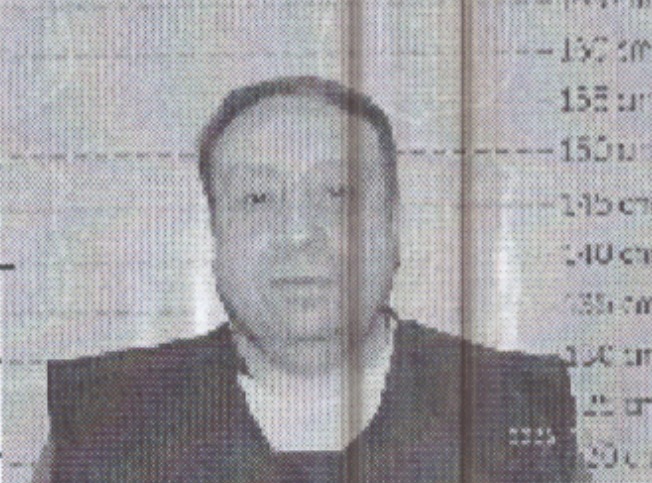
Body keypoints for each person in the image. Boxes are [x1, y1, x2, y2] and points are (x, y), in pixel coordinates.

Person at [37, 76, 589, 482]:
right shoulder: (102, 421)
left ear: (393, 227)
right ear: (216, 234)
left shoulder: (518, 409)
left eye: (338, 193)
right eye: (257, 198)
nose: (299, 233)